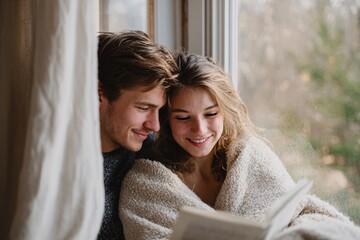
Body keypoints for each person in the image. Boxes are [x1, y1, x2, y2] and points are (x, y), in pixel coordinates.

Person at [118, 52, 360, 239]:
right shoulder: (146, 183)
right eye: (183, 117)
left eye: (211, 114)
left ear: (225, 111)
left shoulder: (251, 157)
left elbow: (302, 212)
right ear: (166, 119)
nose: (200, 129)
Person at [96, 30, 177, 240]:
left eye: (159, 111)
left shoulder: (153, 153)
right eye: (143, 108)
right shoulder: (62, 166)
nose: (155, 125)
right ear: (99, 93)